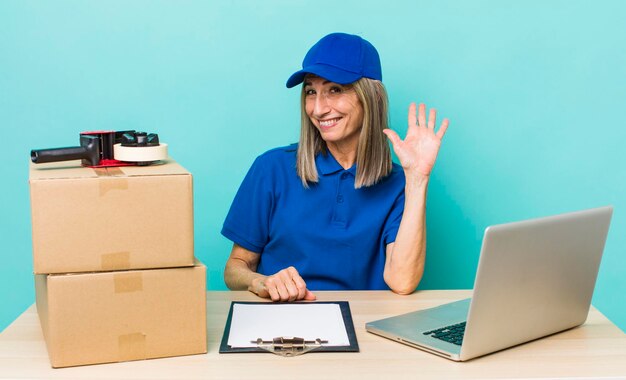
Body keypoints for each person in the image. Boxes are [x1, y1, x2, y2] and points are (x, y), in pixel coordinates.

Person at [221, 32, 449, 302]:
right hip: (283, 320)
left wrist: (418, 180)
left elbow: (402, 281)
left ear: (371, 97)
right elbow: (235, 268)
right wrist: (262, 281)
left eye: (335, 90)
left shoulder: (398, 183)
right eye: (310, 92)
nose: (318, 109)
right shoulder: (271, 168)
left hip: (362, 326)